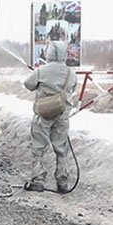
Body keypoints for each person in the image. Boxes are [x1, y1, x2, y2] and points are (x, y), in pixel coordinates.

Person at [24, 41, 77, 193]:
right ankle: (62, 182)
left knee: (38, 148)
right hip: (62, 115)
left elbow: (28, 84)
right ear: (63, 54)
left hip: (43, 114)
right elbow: (72, 89)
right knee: (61, 149)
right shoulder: (70, 73)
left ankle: (38, 180)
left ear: (49, 53)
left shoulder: (42, 71)